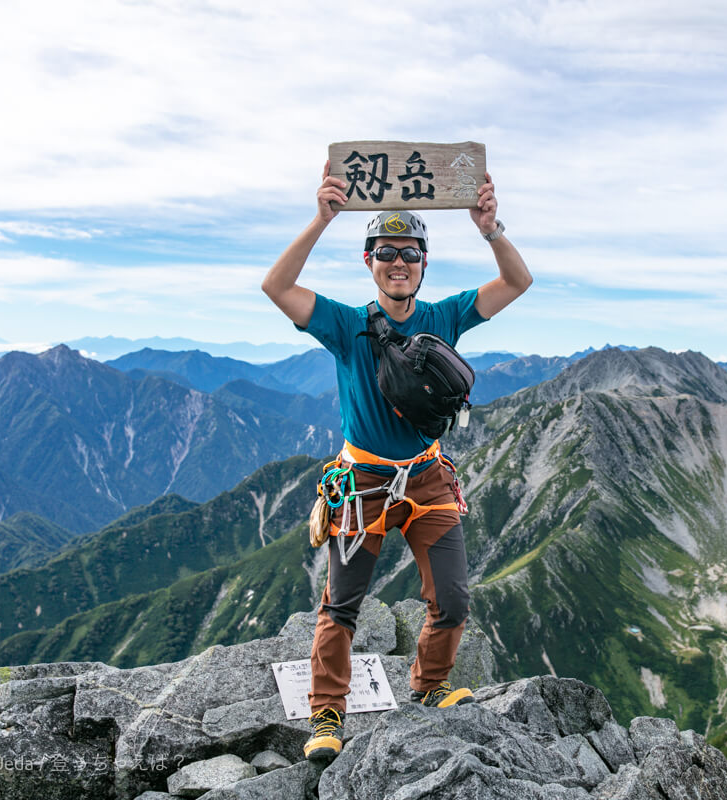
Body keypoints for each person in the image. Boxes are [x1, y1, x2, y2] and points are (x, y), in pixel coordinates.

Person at [262, 161, 532, 762]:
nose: (399, 262)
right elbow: (277, 287)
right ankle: (327, 715)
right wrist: (321, 219)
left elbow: (517, 281)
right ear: (370, 262)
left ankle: (429, 688)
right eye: (386, 252)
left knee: (453, 598)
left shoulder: (442, 318)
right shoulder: (347, 325)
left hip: (429, 477)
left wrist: (490, 229)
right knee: (342, 602)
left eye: (410, 252)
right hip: (362, 481)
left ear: (424, 263)